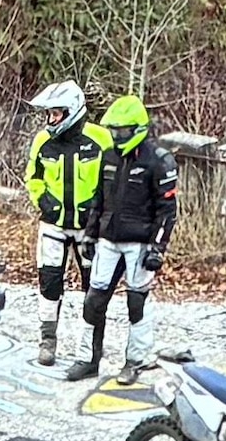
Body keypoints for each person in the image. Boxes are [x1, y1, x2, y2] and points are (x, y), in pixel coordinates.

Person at [70, 92, 176, 380]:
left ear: (137, 129)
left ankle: (136, 360)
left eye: (123, 131)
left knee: (136, 301)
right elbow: (98, 198)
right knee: (94, 299)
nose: (117, 136)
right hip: (108, 239)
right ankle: (88, 358)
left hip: (139, 243)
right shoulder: (108, 156)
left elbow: (167, 209)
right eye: (114, 130)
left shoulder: (159, 161)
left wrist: (158, 248)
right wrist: (90, 234)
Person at [22, 79, 99, 367]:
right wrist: (42, 201)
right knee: (49, 282)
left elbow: (112, 176)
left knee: (94, 288)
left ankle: (90, 344)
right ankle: (47, 340)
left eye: (56, 114)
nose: (51, 119)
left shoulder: (99, 139)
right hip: (52, 224)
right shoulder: (43, 141)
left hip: (87, 227)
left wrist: (100, 209)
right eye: (49, 114)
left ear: (72, 110)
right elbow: (33, 176)